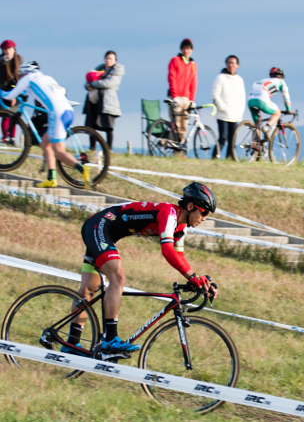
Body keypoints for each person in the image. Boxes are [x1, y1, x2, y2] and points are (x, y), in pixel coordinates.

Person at [65, 182, 218, 356]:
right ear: (190, 206)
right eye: (204, 212)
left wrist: (197, 279)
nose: (205, 218)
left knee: (89, 288)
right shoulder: (169, 213)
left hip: (105, 232)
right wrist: (193, 277)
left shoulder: (180, 227)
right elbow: (167, 250)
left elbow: (179, 256)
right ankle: (110, 339)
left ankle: (71, 344)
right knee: (118, 278)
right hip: (100, 225)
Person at [0, 61, 90, 189]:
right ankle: (51, 178)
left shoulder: (28, 78)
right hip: (68, 110)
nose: (20, 78)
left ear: (25, 73)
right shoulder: (47, 78)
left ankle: (82, 170)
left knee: (58, 151)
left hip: (56, 113)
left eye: (20, 75)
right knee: (45, 144)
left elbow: (10, 95)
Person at [83, 50, 124, 150]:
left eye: (110, 58)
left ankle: (108, 149)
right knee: (91, 126)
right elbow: (87, 82)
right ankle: (92, 147)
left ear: (115, 60)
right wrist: (88, 86)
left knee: (108, 127)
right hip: (94, 100)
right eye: (107, 58)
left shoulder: (117, 71)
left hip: (108, 102)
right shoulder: (98, 69)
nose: (108, 60)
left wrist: (93, 84)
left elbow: (109, 83)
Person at [211, 55, 245, 159]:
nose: (231, 65)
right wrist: (222, 107)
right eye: (229, 63)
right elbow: (215, 94)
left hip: (235, 114)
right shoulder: (220, 77)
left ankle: (230, 159)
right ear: (226, 64)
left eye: (233, 63)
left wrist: (240, 110)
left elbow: (242, 96)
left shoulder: (239, 79)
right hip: (223, 114)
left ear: (237, 65)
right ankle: (215, 157)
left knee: (232, 139)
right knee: (223, 138)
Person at [247, 67, 291, 140]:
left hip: (250, 98)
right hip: (261, 98)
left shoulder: (263, 80)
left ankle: (256, 146)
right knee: (277, 112)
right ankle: (267, 127)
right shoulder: (281, 82)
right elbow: (286, 97)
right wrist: (288, 109)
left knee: (257, 124)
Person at [167, 38, 197, 144]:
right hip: (176, 97)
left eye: (188, 48)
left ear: (192, 50)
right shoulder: (175, 60)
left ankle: (181, 148)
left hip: (186, 98)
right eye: (184, 48)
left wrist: (192, 99)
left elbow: (193, 82)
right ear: (181, 49)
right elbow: (172, 78)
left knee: (184, 124)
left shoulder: (193, 64)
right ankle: (174, 147)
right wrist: (174, 96)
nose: (186, 51)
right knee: (176, 124)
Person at [0, 40, 22, 144]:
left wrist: (15, 95)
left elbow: (19, 78)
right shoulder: (2, 60)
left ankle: (12, 138)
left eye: (10, 49)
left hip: (16, 89)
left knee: (14, 115)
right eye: (5, 49)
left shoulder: (19, 59)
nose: (8, 52)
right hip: (3, 90)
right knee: (6, 115)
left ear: (14, 49)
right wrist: (4, 61)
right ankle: (5, 137)